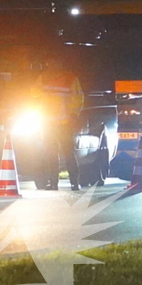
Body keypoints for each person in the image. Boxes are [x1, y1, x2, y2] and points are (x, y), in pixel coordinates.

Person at [34, 56, 84, 191]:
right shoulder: (43, 77)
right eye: (50, 62)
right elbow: (33, 94)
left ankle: (74, 182)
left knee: (68, 153)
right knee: (51, 154)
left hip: (64, 122)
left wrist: (73, 115)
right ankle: (53, 183)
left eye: (54, 61)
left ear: (60, 63)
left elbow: (78, 97)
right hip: (48, 123)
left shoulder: (70, 78)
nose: (52, 64)